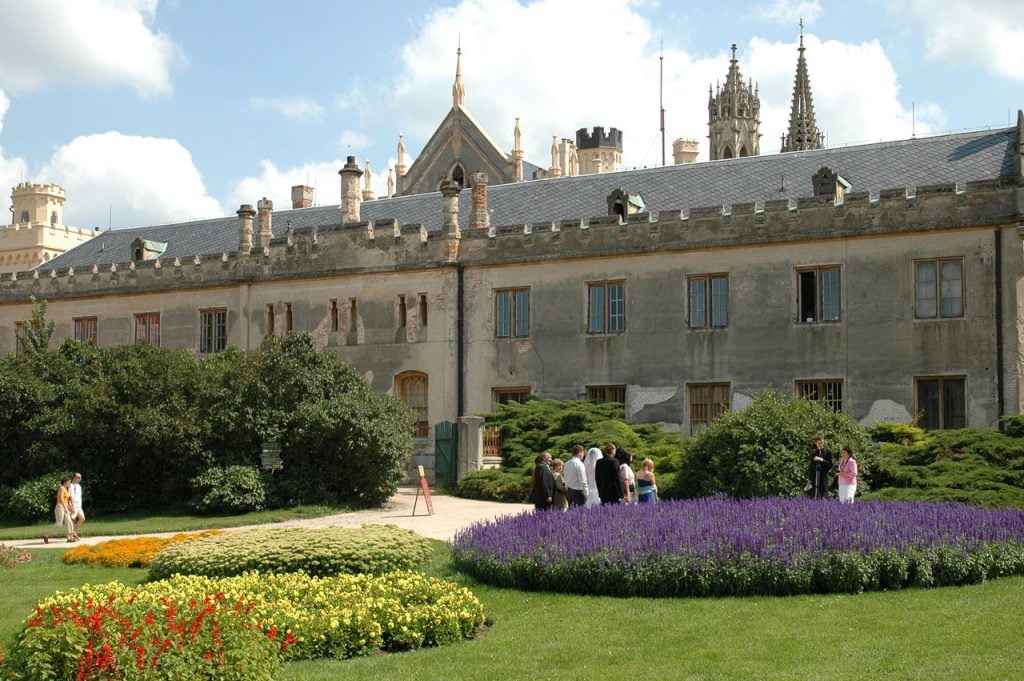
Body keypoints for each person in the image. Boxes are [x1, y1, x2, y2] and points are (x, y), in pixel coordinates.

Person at [43, 476, 74, 544]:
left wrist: (69, 506)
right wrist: (65, 507)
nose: (70, 483)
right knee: (59, 524)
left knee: (69, 522)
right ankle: (46, 535)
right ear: (65, 482)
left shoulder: (66, 489)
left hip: (65, 507)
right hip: (60, 507)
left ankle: (70, 537)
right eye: (69, 482)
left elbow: (67, 499)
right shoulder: (62, 488)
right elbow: (61, 498)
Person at [806, 435, 834, 499]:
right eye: (819, 443)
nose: (821, 444)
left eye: (822, 443)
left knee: (823, 494)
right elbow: (811, 466)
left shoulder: (828, 452)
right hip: (814, 476)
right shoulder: (814, 452)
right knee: (814, 494)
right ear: (816, 443)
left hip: (823, 476)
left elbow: (830, 465)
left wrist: (821, 460)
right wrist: (810, 478)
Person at [69, 472, 85, 540]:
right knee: (72, 520)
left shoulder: (79, 486)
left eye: (80, 477)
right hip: (74, 505)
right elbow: (70, 496)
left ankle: (74, 532)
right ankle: (70, 536)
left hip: (79, 506)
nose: (80, 478)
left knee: (82, 518)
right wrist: (72, 506)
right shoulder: (71, 486)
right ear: (74, 478)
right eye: (78, 477)